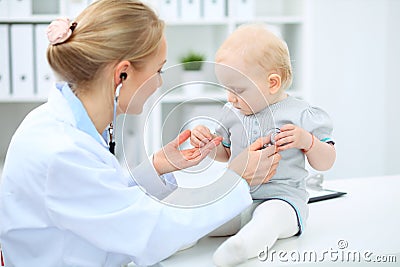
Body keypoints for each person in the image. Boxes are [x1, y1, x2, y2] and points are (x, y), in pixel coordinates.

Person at [0, 2, 281, 267]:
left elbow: (101, 198)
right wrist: (238, 179)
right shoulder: (60, 151)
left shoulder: (57, 125)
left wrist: (158, 165)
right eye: (158, 70)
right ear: (122, 75)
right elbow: (151, 231)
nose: (160, 82)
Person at [190, 23, 336, 266]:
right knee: (206, 220)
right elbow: (226, 153)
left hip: (284, 200)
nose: (229, 97)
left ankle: (242, 246)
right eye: (226, 89)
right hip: (239, 197)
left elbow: (327, 161)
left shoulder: (302, 114)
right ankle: (181, 239)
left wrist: (308, 142)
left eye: (237, 90)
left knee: (271, 219)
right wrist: (207, 146)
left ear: (272, 83)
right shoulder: (232, 112)